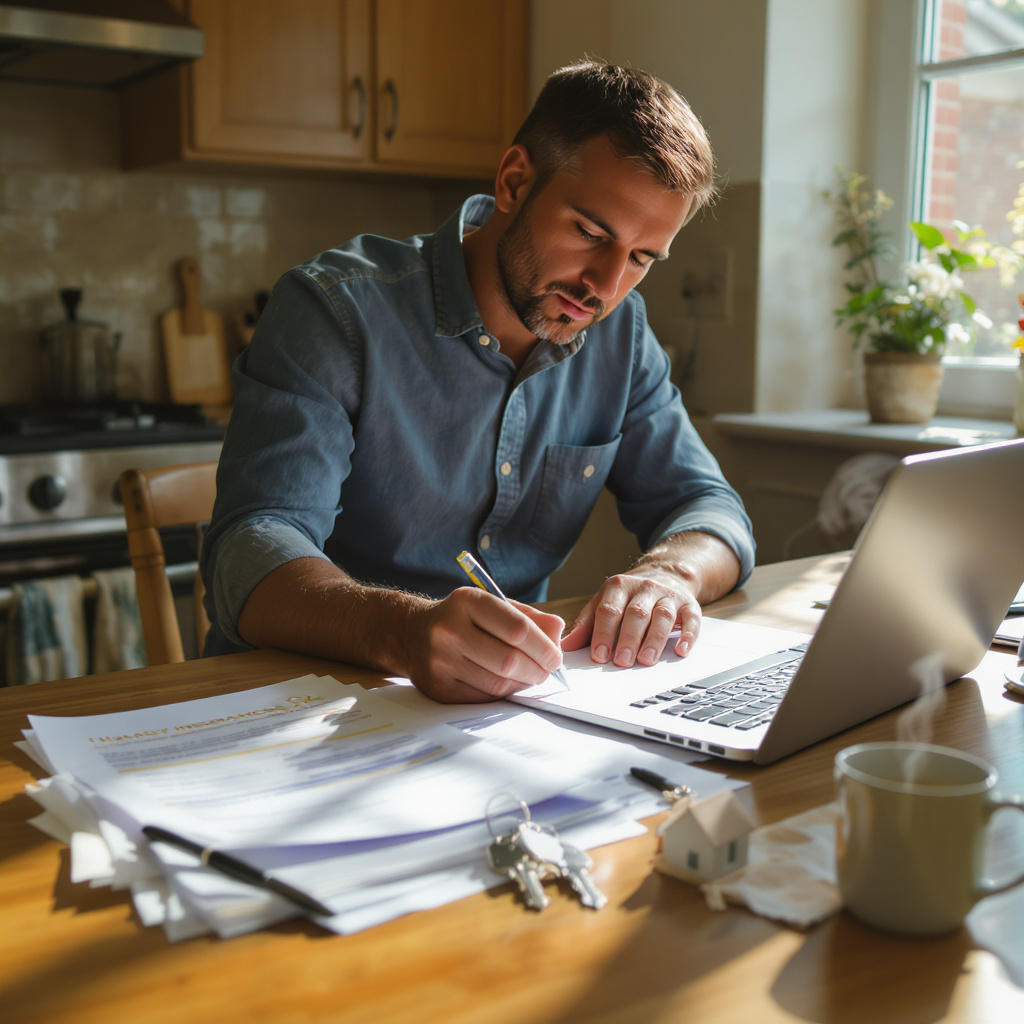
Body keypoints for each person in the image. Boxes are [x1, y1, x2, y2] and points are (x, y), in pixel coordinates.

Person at [201, 60, 755, 703]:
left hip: (501, 711)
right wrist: (404, 631)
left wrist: (670, 575)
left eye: (639, 258)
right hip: (295, 704)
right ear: (515, 181)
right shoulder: (335, 310)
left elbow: (711, 508)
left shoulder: (621, 334)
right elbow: (249, 551)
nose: (605, 286)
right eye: (589, 232)